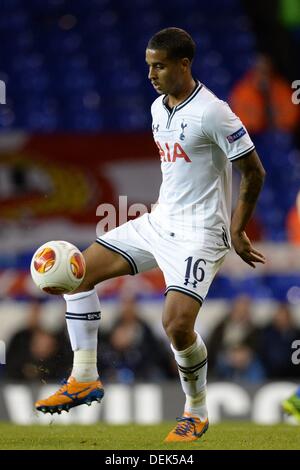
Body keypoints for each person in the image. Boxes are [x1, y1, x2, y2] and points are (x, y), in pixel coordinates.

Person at [35, 28, 266, 442]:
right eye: (148, 67)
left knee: (176, 325)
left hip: (201, 234)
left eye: (159, 66)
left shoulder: (214, 112)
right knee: (79, 272)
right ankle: (84, 377)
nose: (151, 74)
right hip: (159, 221)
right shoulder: (160, 108)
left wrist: (237, 227)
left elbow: (254, 170)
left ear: (183, 64)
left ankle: (195, 412)